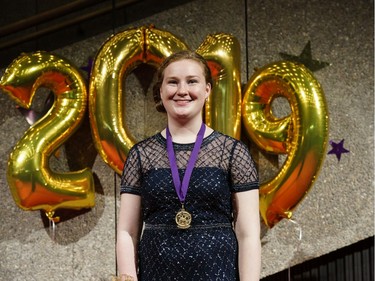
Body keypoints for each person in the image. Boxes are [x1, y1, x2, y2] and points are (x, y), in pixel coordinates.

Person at [116, 50, 261, 281]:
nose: (182, 90)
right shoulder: (140, 155)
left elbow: (248, 234)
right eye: (172, 82)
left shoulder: (233, 152)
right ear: (161, 91)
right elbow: (127, 232)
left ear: (207, 90)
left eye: (192, 81)